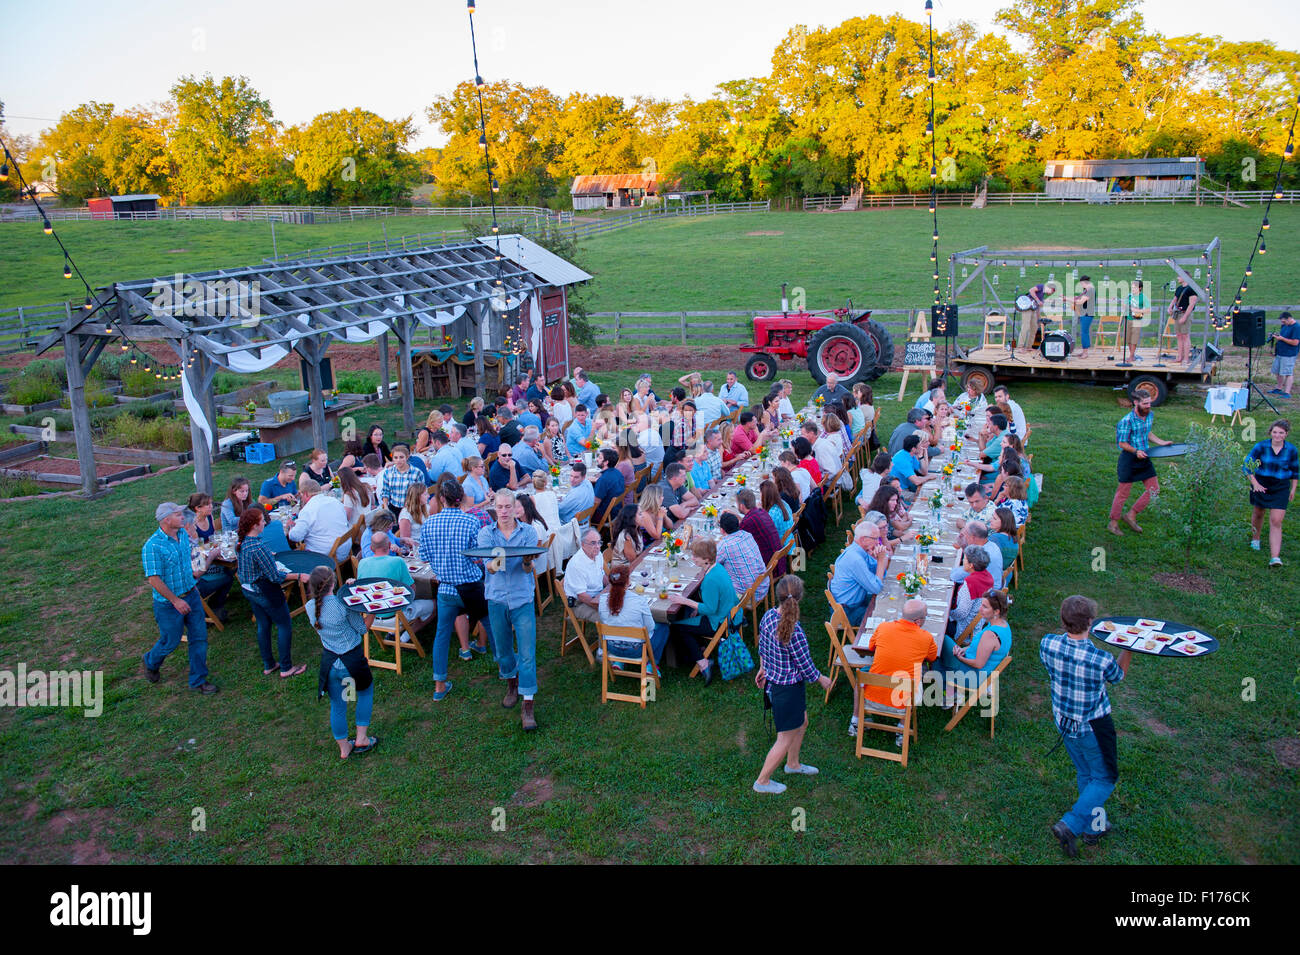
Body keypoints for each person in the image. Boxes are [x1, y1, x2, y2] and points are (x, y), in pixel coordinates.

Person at [1041, 594, 1133, 857]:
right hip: (1093, 726)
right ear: (1091, 621)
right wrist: (1128, 649)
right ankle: (1071, 824)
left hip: (1063, 722)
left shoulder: (1047, 644)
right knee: (1105, 778)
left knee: (1085, 772)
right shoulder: (1100, 659)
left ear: (1063, 620)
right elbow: (1119, 676)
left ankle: (1095, 826)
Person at [752, 575, 831, 794]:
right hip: (787, 689)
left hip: (778, 685)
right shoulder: (794, 631)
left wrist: (763, 667)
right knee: (784, 737)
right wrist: (821, 679)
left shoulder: (768, 617)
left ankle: (793, 764)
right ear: (799, 598)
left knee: (802, 722)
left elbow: (763, 647)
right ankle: (763, 781)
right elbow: (805, 665)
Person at [419, 479, 491, 702]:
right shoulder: (470, 521)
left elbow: (423, 556)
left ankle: (440, 684)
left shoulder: (429, 523)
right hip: (470, 586)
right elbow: (479, 556)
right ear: (461, 498)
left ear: (441, 498)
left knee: (441, 635)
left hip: (446, 589)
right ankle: (507, 669)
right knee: (491, 624)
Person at [141, 502, 220, 693]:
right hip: (168, 604)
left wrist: (200, 574)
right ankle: (151, 660)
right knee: (171, 641)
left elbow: (191, 560)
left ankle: (198, 680)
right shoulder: (152, 546)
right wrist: (176, 601)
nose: (183, 517)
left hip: (191, 595)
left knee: (199, 638)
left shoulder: (183, 535)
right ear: (166, 520)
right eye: (178, 514)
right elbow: (154, 579)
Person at [479, 490, 542, 730]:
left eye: (508, 506)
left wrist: (526, 561)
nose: (504, 511)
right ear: (494, 508)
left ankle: (528, 705)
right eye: (500, 507)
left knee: (527, 653)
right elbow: (491, 568)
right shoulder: (486, 534)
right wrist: (500, 558)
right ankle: (511, 682)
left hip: (522, 598)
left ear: (516, 508)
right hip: (496, 599)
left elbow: (528, 569)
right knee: (504, 652)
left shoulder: (528, 532)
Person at [302, 567, 378, 758]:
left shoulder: (310, 607)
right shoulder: (342, 605)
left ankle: (344, 748)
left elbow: (330, 608)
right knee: (365, 693)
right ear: (333, 584)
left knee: (338, 704)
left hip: (330, 663)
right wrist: (373, 612)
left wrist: (346, 591)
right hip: (351, 660)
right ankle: (361, 738)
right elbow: (362, 629)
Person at [236, 506, 309, 678]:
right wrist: (299, 576)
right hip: (265, 591)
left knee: (263, 625)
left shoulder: (242, 543)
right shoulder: (258, 548)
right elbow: (275, 576)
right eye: (262, 521)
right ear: (254, 525)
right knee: (284, 625)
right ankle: (286, 667)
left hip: (249, 589)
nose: (264, 523)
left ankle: (269, 664)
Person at [860, 599, 937, 743]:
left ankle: (858, 719)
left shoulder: (883, 627)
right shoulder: (926, 637)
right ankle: (902, 728)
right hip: (901, 704)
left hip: (870, 699)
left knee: (863, 675)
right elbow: (931, 658)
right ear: (919, 621)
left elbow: (871, 646)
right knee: (918, 675)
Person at [668, 538, 733, 684]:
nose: (693, 559)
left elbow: (710, 608)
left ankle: (703, 662)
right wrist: (696, 606)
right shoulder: (718, 568)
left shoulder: (711, 579)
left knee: (678, 627)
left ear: (707, 559)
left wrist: (686, 602)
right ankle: (701, 648)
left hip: (718, 622)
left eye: (696, 556)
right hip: (727, 615)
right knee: (689, 616)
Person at [1108, 392, 1172, 536]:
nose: (1148, 406)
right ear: (1136, 403)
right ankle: (1113, 524)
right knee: (1123, 493)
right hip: (1129, 459)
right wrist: (1136, 451)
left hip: (1144, 457)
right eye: (1145, 403)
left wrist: (1162, 442)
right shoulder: (1126, 421)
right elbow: (1122, 443)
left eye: (1149, 403)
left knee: (1154, 489)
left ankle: (1131, 515)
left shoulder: (1149, 415)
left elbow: (1147, 432)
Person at [940, 589, 1011, 702]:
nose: (980, 609)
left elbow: (978, 664)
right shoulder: (1003, 624)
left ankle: (950, 694)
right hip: (977, 668)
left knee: (937, 654)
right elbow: (982, 648)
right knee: (942, 642)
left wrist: (960, 657)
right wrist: (964, 649)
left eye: (985, 607)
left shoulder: (990, 635)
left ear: (996, 611)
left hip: (972, 676)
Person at [599, 563, 670, 676]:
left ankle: (618, 661)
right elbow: (650, 627)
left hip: (611, 647)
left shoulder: (602, 600)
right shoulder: (639, 601)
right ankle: (652, 664)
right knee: (663, 627)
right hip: (636, 650)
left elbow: (605, 620)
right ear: (628, 581)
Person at [1247, 418, 1298, 566]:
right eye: (1275, 432)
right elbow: (1247, 466)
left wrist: (1293, 488)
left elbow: (1295, 471)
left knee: (1276, 520)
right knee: (1258, 512)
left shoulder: (1291, 450)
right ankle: (1255, 538)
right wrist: (1255, 483)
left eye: (1281, 433)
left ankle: (1275, 557)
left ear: (1286, 434)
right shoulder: (1261, 446)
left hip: (1281, 486)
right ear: (1270, 432)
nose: (1277, 435)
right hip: (1261, 483)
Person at [356, 532, 435, 629]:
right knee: (435, 603)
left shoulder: (362, 563)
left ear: (371, 548)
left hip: (370, 616)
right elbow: (412, 590)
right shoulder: (397, 561)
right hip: (396, 617)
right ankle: (405, 637)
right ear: (389, 545)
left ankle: (394, 635)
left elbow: (360, 590)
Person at [829, 520, 889, 626]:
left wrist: (876, 558)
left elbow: (882, 575)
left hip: (856, 601)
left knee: (889, 598)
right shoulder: (855, 559)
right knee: (886, 615)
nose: (878, 542)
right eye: (875, 539)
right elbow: (876, 587)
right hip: (848, 611)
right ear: (863, 539)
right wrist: (880, 561)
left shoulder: (859, 551)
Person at [285, 478, 352, 559]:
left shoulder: (307, 510)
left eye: (301, 495)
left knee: (291, 556)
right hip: (345, 548)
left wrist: (291, 526)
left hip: (326, 555)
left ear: (305, 494)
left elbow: (296, 537)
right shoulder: (334, 501)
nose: (301, 499)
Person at [716, 511, 770, 601]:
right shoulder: (747, 535)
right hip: (762, 587)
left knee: (713, 578)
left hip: (746, 596)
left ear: (722, 530)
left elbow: (711, 563)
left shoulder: (724, 546)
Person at [949, 545, 995, 638]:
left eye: (965, 559)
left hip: (964, 630)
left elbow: (961, 613)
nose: (963, 561)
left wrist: (947, 611)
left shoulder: (971, 583)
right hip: (976, 625)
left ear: (971, 565)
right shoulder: (987, 576)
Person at [563, 528, 607, 625]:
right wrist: (600, 607)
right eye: (593, 543)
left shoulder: (598, 554)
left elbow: (602, 575)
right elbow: (582, 596)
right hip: (580, 603)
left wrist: (612, 587)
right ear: (583, 544)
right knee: (608, 617)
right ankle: (608, 639)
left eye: (599, 543)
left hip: (598, 596)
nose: (597, 546)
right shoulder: (577, 564)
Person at [736, 488, 785, 576]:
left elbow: (738, 545)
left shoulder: (747, 522)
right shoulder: (761, 511)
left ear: (741, 506)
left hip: (769, 567)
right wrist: (737, 516)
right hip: (778, 560)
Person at [950, 520, 1003, 587]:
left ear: (972, 537)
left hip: (985, 594)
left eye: (965, 533)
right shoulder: (992, 545)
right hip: (991, 586)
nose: (962, 534)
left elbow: (955, 577)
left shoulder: (979, 556)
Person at [379, 445, 424, 518]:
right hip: (394, 507)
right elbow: (385, 492)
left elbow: (421, 493)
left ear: (407, 457)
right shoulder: (388, 473)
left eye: (401, 457)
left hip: (411, 508)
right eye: (395, 458)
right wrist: (385, 506)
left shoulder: (417, 473)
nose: (398, 460)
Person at [891, 433, 935, 499]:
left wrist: (922, 454)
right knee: (926, 498)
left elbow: (924, 472)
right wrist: (929, 477)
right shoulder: (903, 460)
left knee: (931, 492)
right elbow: (916, 481)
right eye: (920, 445)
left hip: (908, 487)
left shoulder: (910, 455)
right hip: (898, 492)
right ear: (913, 449)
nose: (921, 447)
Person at [1166, 275, 1199, 365]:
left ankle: (1186, 358)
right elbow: (1175, 299)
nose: (1178, 278)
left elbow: (1191, 304)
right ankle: (1179, 357)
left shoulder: (1191, 289)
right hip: (1178, 313)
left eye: (1179, 276)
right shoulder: (1179, 288)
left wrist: (1185, 317)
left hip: (1185, 313)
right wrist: (1170, 307)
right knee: (1179, 335)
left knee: (1185, 335)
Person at [1019, 282, 1056, 351]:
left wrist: (1038, 319)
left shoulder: (1042, 295)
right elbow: (1031, 290)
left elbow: (1038, 308)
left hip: (1034, 309)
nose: (1050, 294)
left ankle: (1029, 346)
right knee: (1025, 326)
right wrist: (1038, 300)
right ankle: (1020, 346)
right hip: (1027, 307)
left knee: (1034, 327)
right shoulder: (1041, 286)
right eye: (1052, 292)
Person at [655, 461, 695, 525]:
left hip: (675, 521)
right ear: (674, 478)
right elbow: (681, 515)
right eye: (683, 476)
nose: (686, 478)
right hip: (665, 527)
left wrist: (684, 504)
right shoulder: (665, 490)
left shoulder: (678, 484)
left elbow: (695, 500)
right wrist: (689, 508)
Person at [591, 447, 626, 520]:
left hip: (605, 515)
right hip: (616, 510)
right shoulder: (617, 472)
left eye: (600, 458)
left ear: (606, 462)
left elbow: (595, 503)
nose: (597, 459)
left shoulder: (603, 480)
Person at [1271, 311, 1299, 398]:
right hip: (1280, 352)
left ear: (1289, 319)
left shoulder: (1296, 327)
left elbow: (1295, 342)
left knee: (1288, 373)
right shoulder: (1284, 326)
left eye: (1284, 321)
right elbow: (1283, 336)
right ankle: (1279, 388)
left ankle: (1287, 392)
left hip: (1289, 354)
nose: (1283, 323)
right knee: (1278, 371)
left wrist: (1282, 338)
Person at [988, 507, 1020, 572]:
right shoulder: (1013, 537)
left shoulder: (995, 538)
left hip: (992, 574)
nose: (990, 520)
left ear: (1004, 522)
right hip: (1005, 574)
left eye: (994, 519)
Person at [762, 479, 794, 544]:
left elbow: (768, 535)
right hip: (790, 540)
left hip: (782, 544)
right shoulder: (783, 502)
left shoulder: (772, 513)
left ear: (765, 496)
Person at [1074, 274, 1095, 359]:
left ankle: (1085, 353)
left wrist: (1070, 300)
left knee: (1084, 332)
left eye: (1082, 284)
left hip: (1087, 313)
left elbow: (1080, 302)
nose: (1082, 286)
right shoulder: (1087, 291)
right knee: (1084, 332)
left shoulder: (1090, 290)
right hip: (1084, 313)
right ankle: (1084, 351)